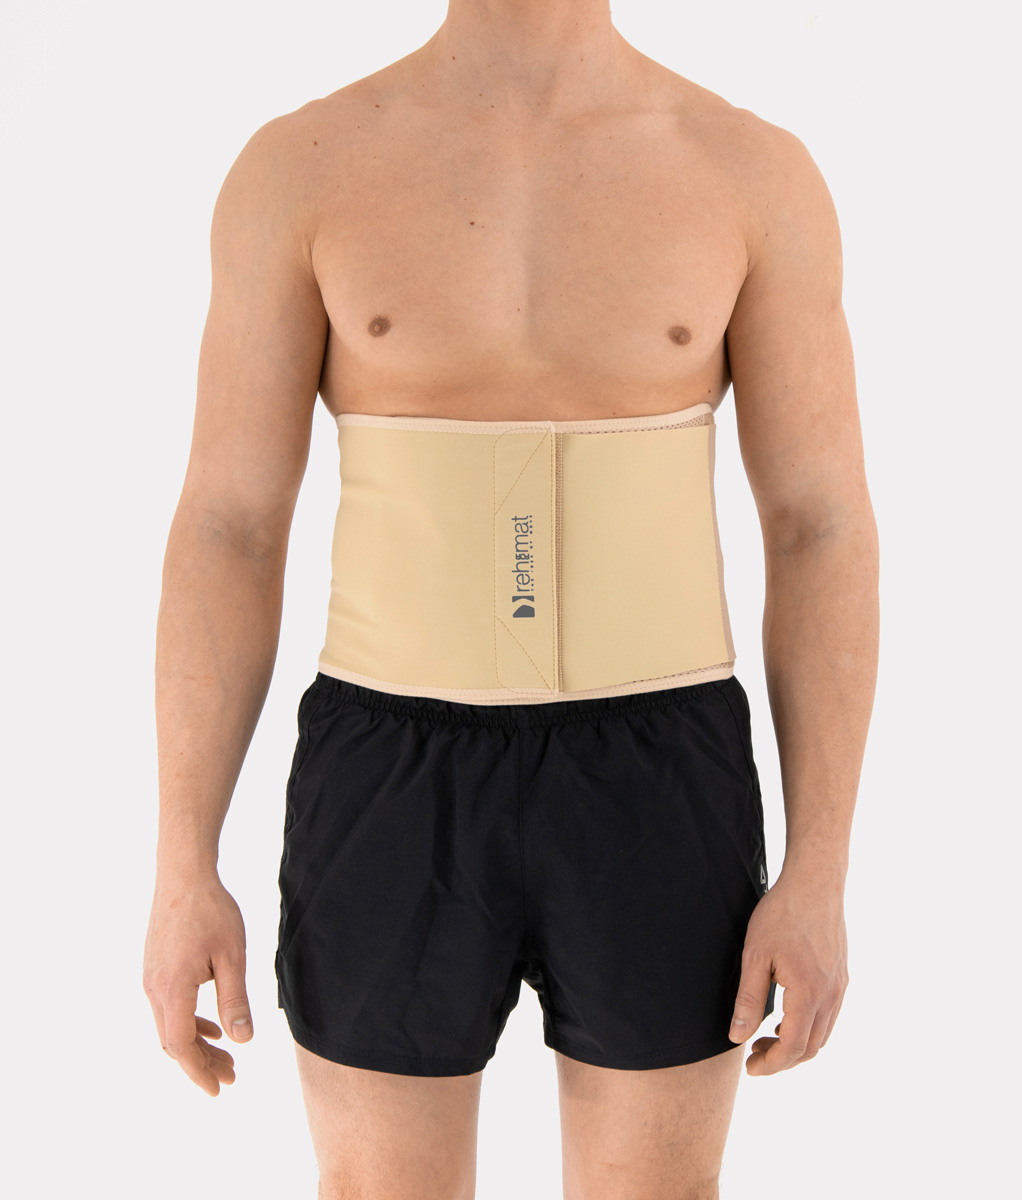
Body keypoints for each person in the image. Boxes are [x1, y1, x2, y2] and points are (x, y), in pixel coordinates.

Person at [143, 2, 878, 1196]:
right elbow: (229, 522)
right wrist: (183, 862)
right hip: (386, 767)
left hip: (657, 769)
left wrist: (820, 867)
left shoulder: (746, 173)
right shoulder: (302, 170)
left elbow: (817, 526)